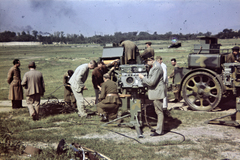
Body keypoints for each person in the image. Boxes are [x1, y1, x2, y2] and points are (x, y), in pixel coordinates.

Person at [139, 57, 166, 136]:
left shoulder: (156, 67)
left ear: (151, 60)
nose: (146, 63)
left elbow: (151, 82)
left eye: (147, 61)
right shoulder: (154, 66)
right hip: (156, 92)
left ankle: (159, 131)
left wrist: (143, 77)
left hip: (157, 92)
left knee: (159, 112)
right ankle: (159, 128)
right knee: (157, 111)